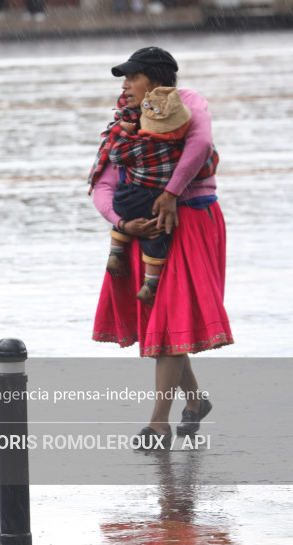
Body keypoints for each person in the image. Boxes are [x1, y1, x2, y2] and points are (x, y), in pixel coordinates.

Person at [88, 47, 233, 450]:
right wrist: (120, 222)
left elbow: (200, 144)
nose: (125, 86)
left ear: (153, 79)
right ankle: (196, 400)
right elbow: (103, 186)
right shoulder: (124, 128)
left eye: (131, 78)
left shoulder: (188, 104)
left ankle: (158, 425)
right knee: (167, 320)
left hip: (192, 222)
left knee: (168, 321)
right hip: (146, 229)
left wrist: (170, 192)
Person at [92, 85, 217, 306]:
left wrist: (121, 223)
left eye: (133, 78)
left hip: (129, 215)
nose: (125, 85)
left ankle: (116, 251)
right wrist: (171, 193)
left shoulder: (122, 138)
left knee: (126, 204)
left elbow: (103, 185)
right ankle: (151, 283)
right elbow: (205, 152)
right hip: (165, 219)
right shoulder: (175, 146)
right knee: (158, 239)